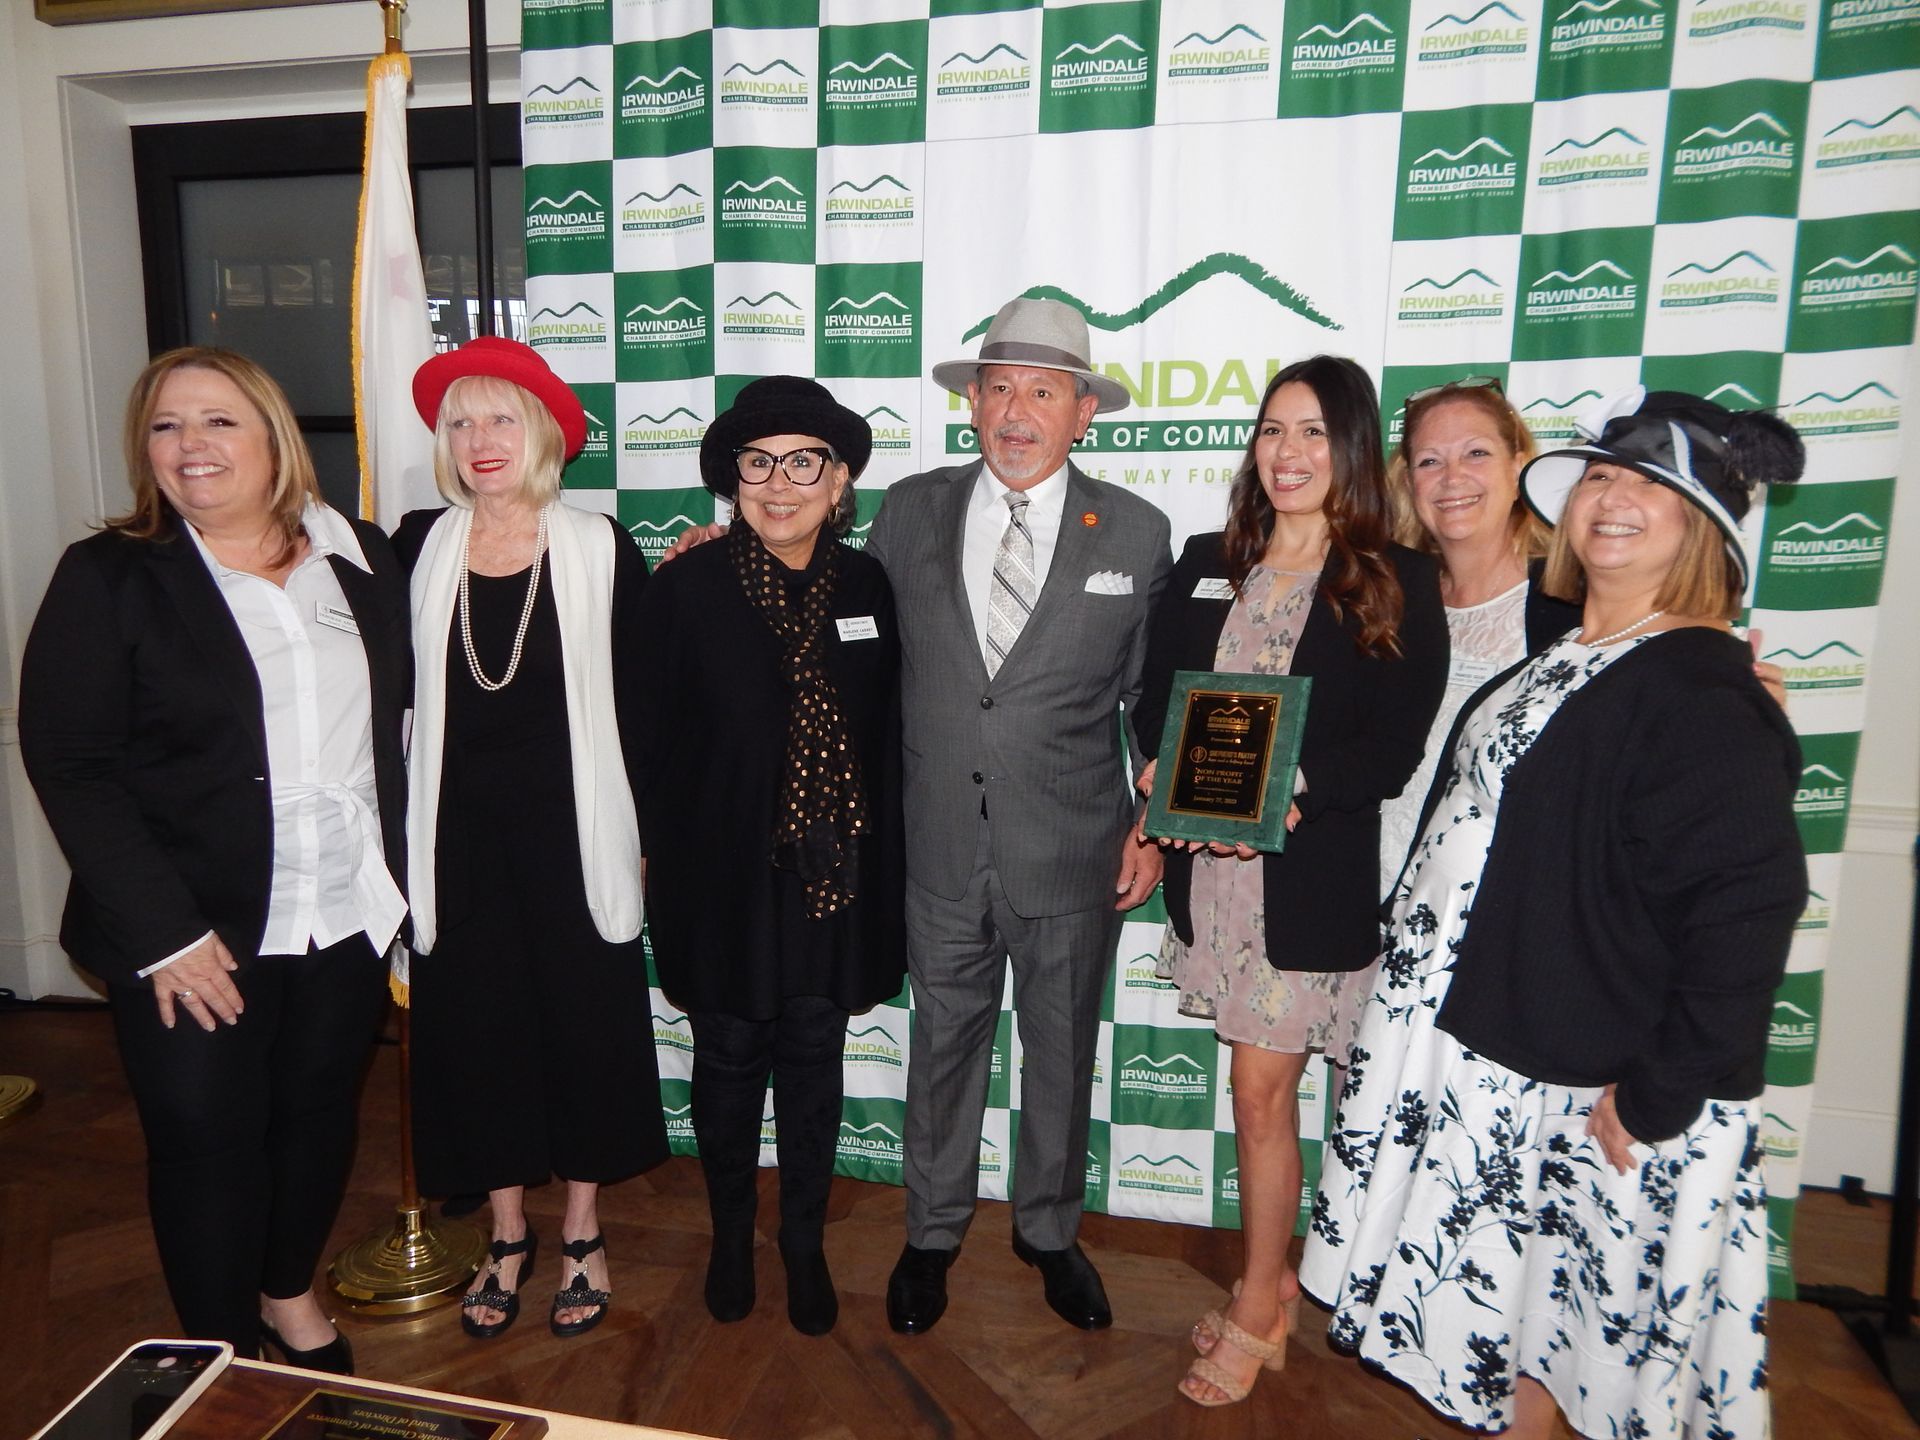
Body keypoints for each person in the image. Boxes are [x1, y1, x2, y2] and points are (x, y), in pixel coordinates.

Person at [1300, 388, 1808, 1440]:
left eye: (1652, 487)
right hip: (1511, 1058)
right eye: (1604, 478)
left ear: (1706, 529)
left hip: (1597, 1091)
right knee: (1530, 1332)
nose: (1615, 499)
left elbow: (1745, 912)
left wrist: (1661, 1093)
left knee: (1588, 1345)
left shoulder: (1701, 685)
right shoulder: (1581, 654)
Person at [19, 347, 411, 1372]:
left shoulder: (356, 555)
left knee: (319, 1116)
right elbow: (71, 763)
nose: (190, 446)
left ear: (274, 437)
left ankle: (286, 1293)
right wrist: (164, 934)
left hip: (342, 909)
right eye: (165, 426)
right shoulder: (109, 576)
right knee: (205, 1141)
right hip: (195, 928)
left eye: (218, 422)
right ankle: (218, 1349)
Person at [1132, 356, 1448, 1405]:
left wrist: (1292, 784)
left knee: (1261, 1096)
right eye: (1273, 431)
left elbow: (1391, 747)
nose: (1289, 454)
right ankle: (1267, 1286)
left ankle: (1265, 1306)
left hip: (1302, 881)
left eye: (1314, 433)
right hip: (1210, 881)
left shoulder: (1394, 578)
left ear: (1352, 449)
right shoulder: (1203, 562)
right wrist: (1156, 764)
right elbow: (1158, 699)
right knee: (1257, 1093)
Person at [876, 297, 1172, 1333]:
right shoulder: (905, 513)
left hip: (1074, 851)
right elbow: (848, 646)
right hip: (939, 848)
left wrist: (1155, 829)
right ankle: (931, 1233)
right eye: (997, 386)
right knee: (942, 1047)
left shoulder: (1136, 532)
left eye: (1043, 390)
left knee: (1060, 1049)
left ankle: (1048, 1230)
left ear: (1083, 412)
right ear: (972, 404)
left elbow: (1154, 702)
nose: (1015, 409)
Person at [396, 336, 667, 1341]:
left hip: (576, 840)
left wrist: (647, 837)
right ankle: (507, 1235)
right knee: (480, 1040)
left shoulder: (599, 545)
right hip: (455, 843)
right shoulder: (416, 546)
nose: (479, 440)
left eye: (501, 417)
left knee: (583, 1035)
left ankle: (584, 1232)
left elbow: (643, 705)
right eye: (460, 422)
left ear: (544, 431)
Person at [631, 377, 905, 1336]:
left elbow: (888, 743)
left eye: (804, 462)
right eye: (758, 463)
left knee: (815, 1057)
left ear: (839, 483)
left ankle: (804, 1243)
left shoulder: (871, 589)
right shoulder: (687, 587)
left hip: (834, 882)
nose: (779, 483)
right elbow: (646, 744)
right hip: (720, 878)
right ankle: (730, 1237)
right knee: (729, 1055)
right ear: (732, 482)